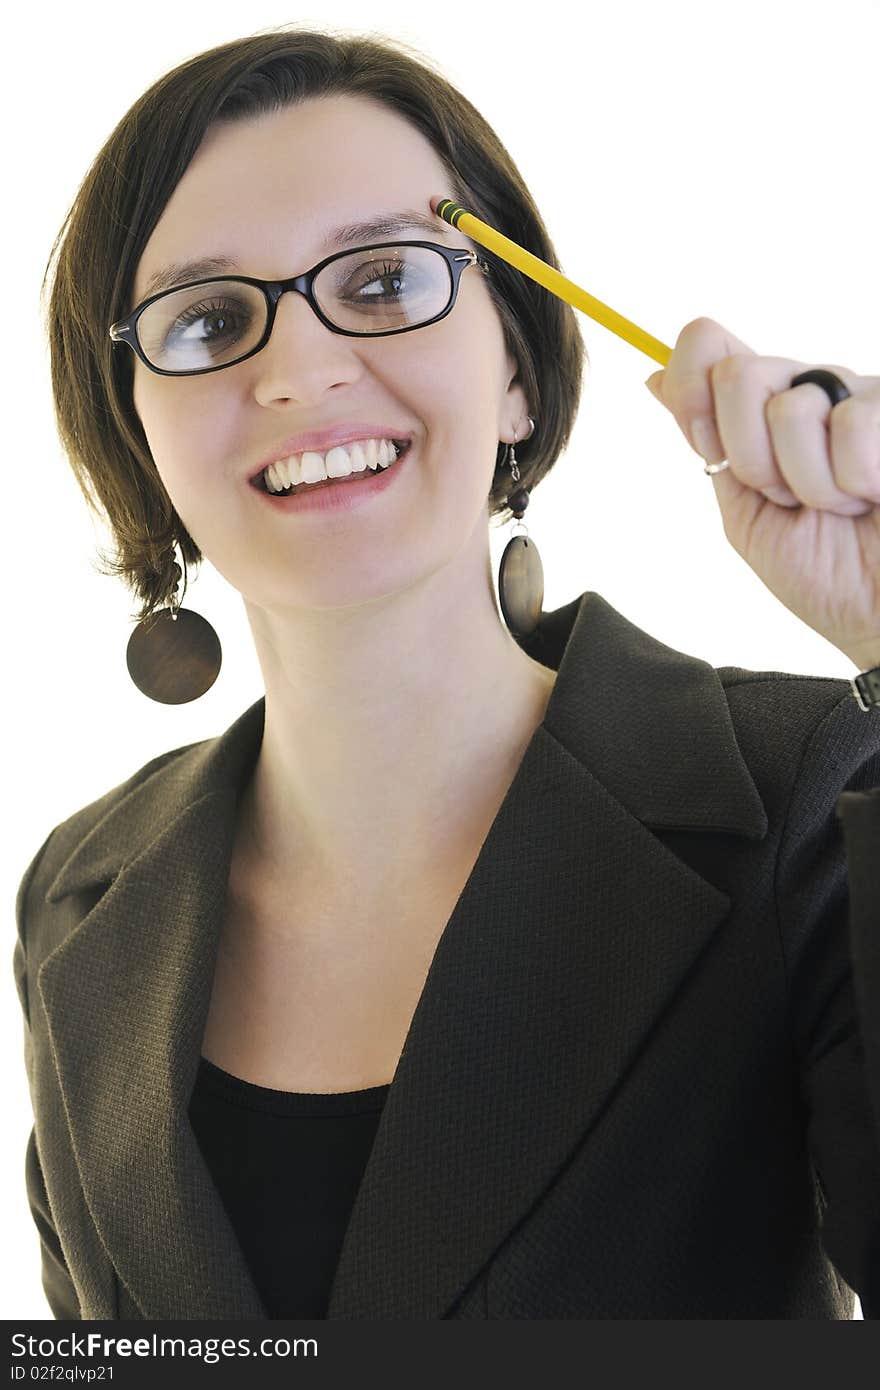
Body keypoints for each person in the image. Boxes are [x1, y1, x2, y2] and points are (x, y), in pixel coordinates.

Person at [14, 26, 880, 1322]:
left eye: (381, 282)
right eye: (206, 319)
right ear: (139, 434)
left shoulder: (807, 786)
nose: (299, 370)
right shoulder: (77, 892)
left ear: (519, 374)